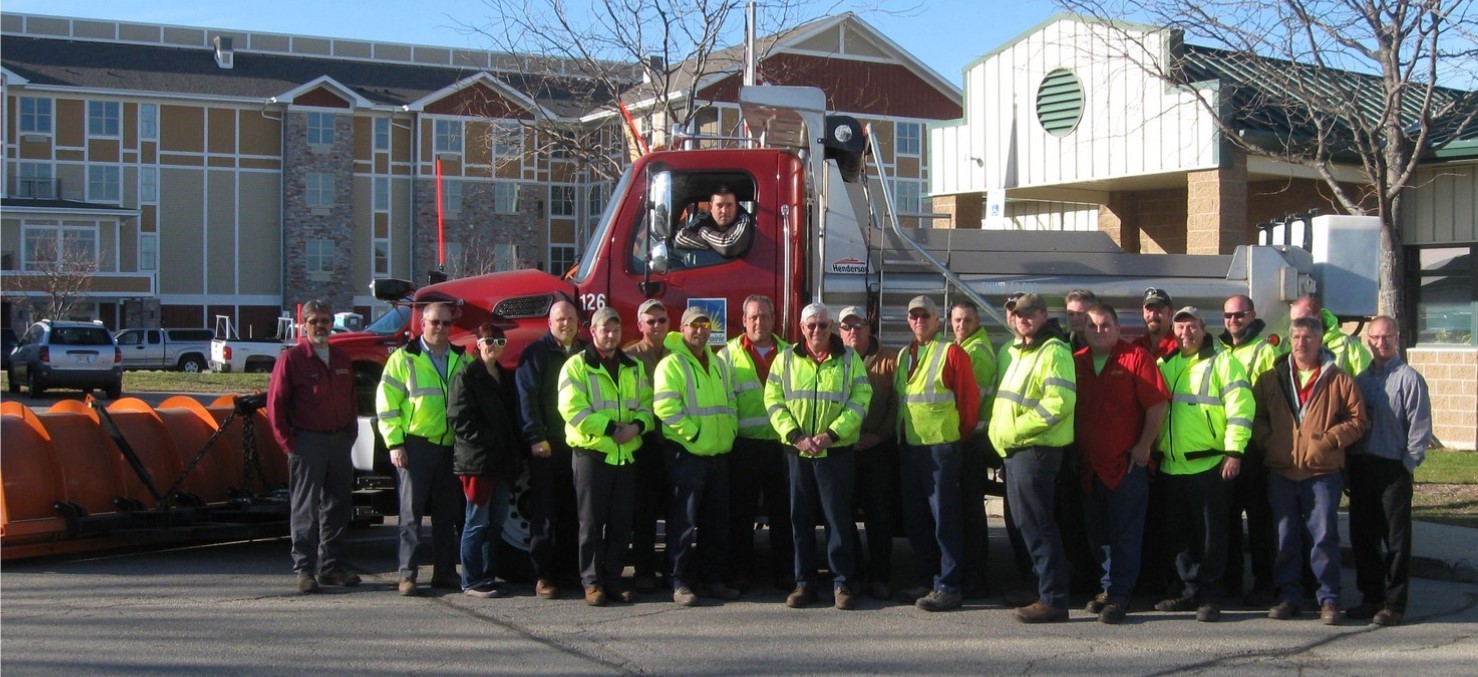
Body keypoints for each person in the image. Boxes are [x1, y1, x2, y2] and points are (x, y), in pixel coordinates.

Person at [1254, 316, 1369, 624]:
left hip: (1322, 473)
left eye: (1307, 337)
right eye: (1296, 337)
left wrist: (1330, 439)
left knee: (1324, 537)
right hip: (1282, 470)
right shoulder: (1271, 378)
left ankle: (1328, 598)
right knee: (1285, 537)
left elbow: (1358, 420)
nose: (1301, 342)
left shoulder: (1339, 379)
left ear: (1320, 341)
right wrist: (1269, 441)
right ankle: (1289, 595)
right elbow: (1258, 415)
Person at [766, 303, 872, 610]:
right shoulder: (785, 360)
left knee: (838, 520)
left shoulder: (849, 359)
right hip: (797, 452)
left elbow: (860, 400)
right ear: (801, 329)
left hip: (835, 452)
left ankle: (842, 583)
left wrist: (830, 435)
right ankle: (805, 583)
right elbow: (773, 402)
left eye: (823, 325)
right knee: (800, 520)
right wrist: (797, 437)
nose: (817, 330)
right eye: (811, 325)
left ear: (831, 328)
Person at [1153, 306, 1253, 622]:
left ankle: (1210, 596)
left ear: (1202, 327)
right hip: (1172, 466)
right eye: (1180, 327)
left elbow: (1241, 409)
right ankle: (1187, 592)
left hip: (1210, 464)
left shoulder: (1224, 362)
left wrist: (1234, 452)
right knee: (1180, 537)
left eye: (1192, 326)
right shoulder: (1166, 364)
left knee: (1212, 537)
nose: (1186, 333)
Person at [1074, 303, 1169, 624]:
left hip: (1126, 466)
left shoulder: (1136, 358)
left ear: (1117, 329)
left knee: (1125, 533)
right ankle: (1106, 587)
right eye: (1092, 326)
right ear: (1083, 331)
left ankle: (1120, 596)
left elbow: (1157, 404)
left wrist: (1144, 446)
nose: (1099, 331)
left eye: (1105, 325)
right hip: (1090, 466)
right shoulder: (1077, 362)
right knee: (1097, 533)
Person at [989, 293, 1077, 624]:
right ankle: (1040, 588)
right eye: (1016, 314)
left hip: (1035, 449)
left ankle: (1054, 599)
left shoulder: (1053, 351)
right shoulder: (1024, 350)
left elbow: (1059, 402)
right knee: (1026, 523)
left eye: (1029, 314)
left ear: (1043, 315)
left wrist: (1016, 431)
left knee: (1038, 524)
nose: (1022, 319)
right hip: (1018, 450)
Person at [558, 307, 654, 606]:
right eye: (604, 329)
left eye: (615, 329)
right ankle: (591, 582)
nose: (610, 335)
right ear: (593, 332)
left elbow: (648, 405)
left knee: (620, 522)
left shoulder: (633, 366)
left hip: (625, 454)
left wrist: (637, 426)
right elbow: (573, 410)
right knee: (590, 522)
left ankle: (613, 579)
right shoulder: (576, 366)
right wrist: (613, 429)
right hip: (592, 453)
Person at [377, 301, 472, 596]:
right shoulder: (404, 358)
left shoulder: (462, 358)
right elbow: (386, 405)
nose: (441, 328)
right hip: (415, 446)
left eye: (446, 323)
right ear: (422, 325)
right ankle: (407, 575)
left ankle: (444, 573)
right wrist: (395, 443)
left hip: (449, 447)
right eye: (435, 323)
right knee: (410, 515)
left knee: (448, 516)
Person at [267, 299, 360, 594]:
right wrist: (289, 444)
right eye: (314, 321)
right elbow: (275, 406)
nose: (320, 326)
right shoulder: (292, 360)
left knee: (338, 505)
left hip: (339, 442)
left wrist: (349, 433)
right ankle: (305, 570)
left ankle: (331, 567)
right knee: (306, 508)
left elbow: (351, 399)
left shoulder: (342, 358)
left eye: (325, 320)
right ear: (303, 325)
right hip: (306, 442)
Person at [896, 295, 979, 612]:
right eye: (914, 316)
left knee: (945, 520)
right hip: (911, 449)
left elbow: (969, 404)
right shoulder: (905, 355)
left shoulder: (951, 353)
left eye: (925, 316)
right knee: (916, 520)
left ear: (937, 320)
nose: (919, 321)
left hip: (940, 450)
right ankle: (926, 579)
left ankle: (949, 585)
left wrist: (958, 437)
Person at [654, 305, 742, 606]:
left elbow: (730, 400)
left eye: (705, 325)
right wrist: (694, 435)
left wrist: (728, 432)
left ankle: (712, 580)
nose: (700, 330)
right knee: (683, 523)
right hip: (688, 454)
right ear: (682, 328)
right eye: (694, 325)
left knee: (716, 523)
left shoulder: (717, 363)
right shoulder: (672, 364)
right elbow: (666, 407)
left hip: (718, 454)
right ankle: (680, 583)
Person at [1348, 316, 1432, 627]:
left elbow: (1420, 430)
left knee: (1395, 542)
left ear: (1397, 339)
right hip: (1361, 468)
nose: (1380, 343)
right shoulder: (1360, 380)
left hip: (1393, 469)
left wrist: (1406, 467)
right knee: (1363, 537)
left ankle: (1394, 604)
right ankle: (1370, 598)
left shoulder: (1410, 379)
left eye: (1387, 337)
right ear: (1367, 341)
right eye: (1375, 338)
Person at [717, 295, 794, 592]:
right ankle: (739, 572)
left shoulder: (790, 353)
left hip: (781, 445)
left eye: (764, 316)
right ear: (744, 320)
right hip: (744, 446)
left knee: (783, 513)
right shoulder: (727, 355)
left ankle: (786, 572)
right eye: (753, 317)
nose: (759, 322)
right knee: (740, 514)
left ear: (774, 320)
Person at [516, 299, 586, 599]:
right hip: (548, 444)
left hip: (580, 444)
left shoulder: (585, 352)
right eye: (560, 319)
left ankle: (569, 571)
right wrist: (535, 437)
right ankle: (543, 575)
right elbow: (526, 399)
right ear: (549, 322)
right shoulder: (536, 353)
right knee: (545, 512)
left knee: (574, 512)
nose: (566, 324)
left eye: (571, 319)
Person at [1217, 294, 1284, 605]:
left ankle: (1264, 583)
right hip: (1225, 445)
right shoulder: (1218, 349)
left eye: (1239, 315)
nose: (1233, 320)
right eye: (1228, 315)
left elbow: (1273, 402)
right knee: (1228, 520)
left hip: (1254, 448)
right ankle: (1231, 581)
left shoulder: (1265, 350)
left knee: (1259, 520)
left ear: (1252, 314)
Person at [448, 323, 523, 599]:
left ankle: (488, 576)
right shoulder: (466, 376)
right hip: (477, 462)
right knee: (476, 521)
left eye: (499, 342)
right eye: (489, 341)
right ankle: (471, 580)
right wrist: (491, 438)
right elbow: (459, 419)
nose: (494, 347)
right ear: (477, 344)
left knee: (497, 523)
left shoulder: (505, 377)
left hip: (502, 462)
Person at [837, 305, 900, 600]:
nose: (853, 332)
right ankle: (854, 573)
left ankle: (881, 576)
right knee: (842, 515)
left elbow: (896, 406)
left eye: (858, 325)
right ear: (839, 331)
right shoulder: (836, 360)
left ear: (869, 327)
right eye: (847, 327)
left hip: (878, 451)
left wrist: (878, 436)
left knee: (879, 516)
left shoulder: (889, 360)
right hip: (844, 450)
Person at [623, 298, 671, 594]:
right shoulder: (629, 357)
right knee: (644, 511)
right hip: (643, 443)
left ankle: (671, 570)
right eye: (650, 321)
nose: (656, 326)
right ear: (640, 325)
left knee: (676, 512)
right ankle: (644, 571)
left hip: (673, 441)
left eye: (661, 320)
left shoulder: (676, 355)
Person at [950, 299, 997, 599]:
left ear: (977, 321)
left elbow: (965, 402)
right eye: (956, 320)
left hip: (971, 439)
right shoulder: (965, 348)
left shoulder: (976, 353)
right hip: (966, 439)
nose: (961, 326)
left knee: (969, 512)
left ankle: (976, 577)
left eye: (967, 320)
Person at [1289, 295, 1372, 376]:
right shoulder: (1287, 346)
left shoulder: (1350, 347)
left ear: (1318, 318)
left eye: (1302, 321)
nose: (1296, 326)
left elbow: (1366, 385)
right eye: (1293, 322)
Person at [672, 185, 756, 258]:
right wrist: (717, 245)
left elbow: (729, 246)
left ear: (737, 206)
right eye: (719, 205)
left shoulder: (744, 219)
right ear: (711, 207)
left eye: (729, 205)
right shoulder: (703, 218)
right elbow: (680, 238)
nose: (724, 211)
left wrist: (704, 232)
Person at [1136, 287, 1180, 360]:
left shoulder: (1181, 346)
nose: (1152, 315)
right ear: (1142, 313)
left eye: (1158, 310)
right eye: (1149, 310)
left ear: (1170, 313)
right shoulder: (1136, 347)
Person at [1064, 289, 1098, 353]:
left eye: (1080, 314)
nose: (1075, 318)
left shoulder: (1106, 344)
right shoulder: (1062, 343)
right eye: (1071, 314)